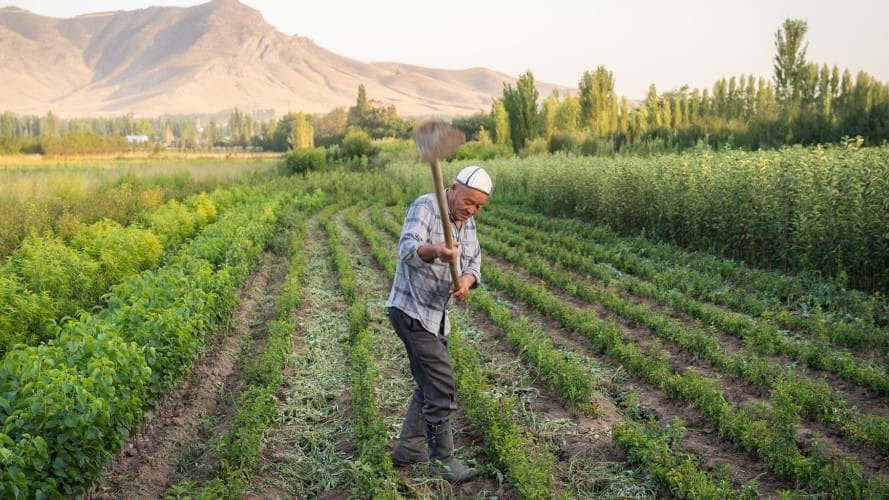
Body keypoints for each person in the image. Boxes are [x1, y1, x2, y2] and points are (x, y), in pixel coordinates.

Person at [385, 165, 492, 483]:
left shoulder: (467, 221)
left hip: (436, 315)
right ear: (454, 188)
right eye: (469, 201)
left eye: (478, 206)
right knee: (442, 387)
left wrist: (466, 282)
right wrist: (436, 252)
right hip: (412, 310)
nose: (471, 209)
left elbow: (474, 263)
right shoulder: (427, 206)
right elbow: (406, 248)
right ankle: (444, 462)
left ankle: (408, 449)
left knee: (428, 385)